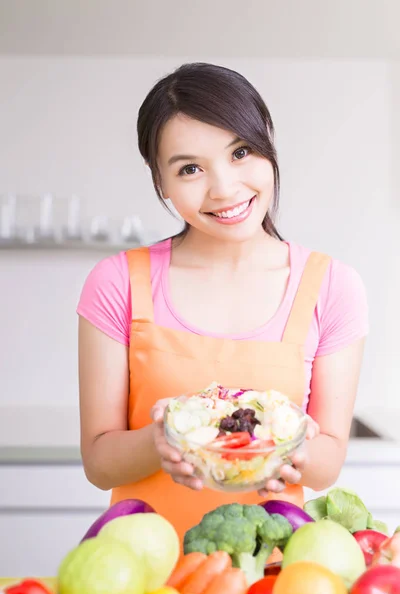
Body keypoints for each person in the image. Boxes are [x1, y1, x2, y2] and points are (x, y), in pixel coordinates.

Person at [77, 63, 368, 544]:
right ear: (161, 184)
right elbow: (99, 462)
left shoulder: (333, 286)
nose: (224, 188)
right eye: (190, 168)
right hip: (141, 568)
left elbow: (328, 462)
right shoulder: (118, 282)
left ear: (268, 148)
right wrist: (162, 440)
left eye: (241, 152)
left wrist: (278, 448)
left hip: (272, 569)